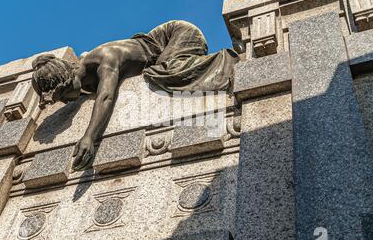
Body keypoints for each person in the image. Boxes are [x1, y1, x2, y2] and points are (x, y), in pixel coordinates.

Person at [31, 20, 238, 171]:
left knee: (166, 71)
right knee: (159, 71)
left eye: (64, 95)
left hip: (178, 33)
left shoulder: (105, 58)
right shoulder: (86, 78)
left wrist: (89, 137)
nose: (66, 101)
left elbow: (106, 97)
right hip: (158, 45)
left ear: (69, 79)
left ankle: (230, 61)